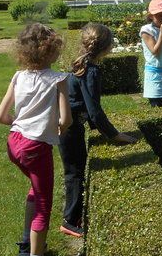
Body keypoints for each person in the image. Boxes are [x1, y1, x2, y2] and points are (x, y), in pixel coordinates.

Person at [0, 23, 71, 256]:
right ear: (52, 51)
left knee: (34, 188)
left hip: (14, 143)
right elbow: (66, 119)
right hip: (36, 148)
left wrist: (21, 124)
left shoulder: (18, 77)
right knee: (43, 204)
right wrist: (56, 130)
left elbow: (1, 116)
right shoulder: (58, 79)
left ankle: (28, 242)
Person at [58, 24, 136, 238]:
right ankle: (69, 220)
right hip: (68, 127)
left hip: (69, 126)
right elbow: (94, 111)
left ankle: (73, 216)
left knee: (77, 168)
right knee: (74, 172)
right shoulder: (91, 70)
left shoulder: (82, 63)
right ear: (107, 47)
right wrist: (114, 134)